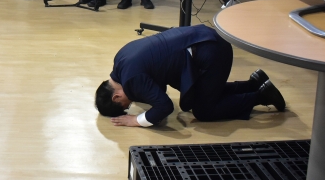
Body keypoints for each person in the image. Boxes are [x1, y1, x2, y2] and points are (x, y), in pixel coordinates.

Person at [94, 25, 286, 127]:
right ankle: (253, 84)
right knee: (199, 95)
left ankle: (260, 96)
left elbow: (165, 107)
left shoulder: (131, 80)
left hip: (211, 52)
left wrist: (136, 120)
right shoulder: (121, 59)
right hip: (201, 38)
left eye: (125, 107)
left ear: (116, 96)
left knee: (204, 111)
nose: (130, 106)